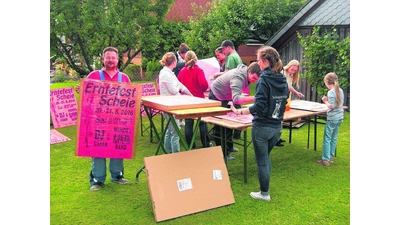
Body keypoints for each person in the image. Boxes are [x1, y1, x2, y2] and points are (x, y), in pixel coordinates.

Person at [230, 46, 289, 201]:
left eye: (258, 60)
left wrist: (239, 112)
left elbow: (259, 105)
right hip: (277, 127)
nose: (257, 63)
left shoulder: (264, 80)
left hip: (262, 127)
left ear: (264, 61)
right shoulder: (282, 79)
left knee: (262, 161)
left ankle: (264, 193)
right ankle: (265, 190)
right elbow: (283, 100)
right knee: (266, 158)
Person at [75, 46, 131, 191]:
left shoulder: (124, 78)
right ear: (103, 59)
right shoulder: (94, 75)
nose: (111, 60)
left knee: (117, 148)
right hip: (98, 122)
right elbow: (87, 96)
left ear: (117, 60)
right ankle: (97, 179)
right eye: (108, 57)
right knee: (98, 149)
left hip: (118, 121)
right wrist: (82, 90)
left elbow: (130, 99)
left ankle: (117, 175)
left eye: (113, 58)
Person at [208, 62, 261, 160]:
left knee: (231, 121)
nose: (253, 81)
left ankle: (229, 146)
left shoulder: (246, 74)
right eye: (253, 78)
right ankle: (223, 153)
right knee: (221, 125)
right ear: (249, 72)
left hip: (227, 97)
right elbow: (236, 99)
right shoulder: (238, 78)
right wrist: (255, 98)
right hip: (217, 96)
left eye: (256, 80)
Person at [159, 52, 192, 154]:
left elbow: (179, 84)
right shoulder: (165, 73)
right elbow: (174, 90)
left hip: (173, 104)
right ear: (174, 62)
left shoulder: (169, 73)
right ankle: (176, 155)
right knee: (175, 132)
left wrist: (189, 94)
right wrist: (180, 88)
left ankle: (168, 152)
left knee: (170, 130)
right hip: (169, 105)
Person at [177, 51, 212, 149]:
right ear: (195, 58)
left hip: (186, 100)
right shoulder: (199, 71)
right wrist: (203, 90)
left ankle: (190, 144)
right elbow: (204, 84)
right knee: (202, 122)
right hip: (198, 99)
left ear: (185, 59)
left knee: (188, 122)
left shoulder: (182, 71)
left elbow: (179, 84)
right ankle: (205, 143)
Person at [214, 40, 244, 141]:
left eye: (223, 49)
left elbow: (228, 73)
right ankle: (237, 133)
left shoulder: (231, 57)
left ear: (228, 47)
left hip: (230, 88)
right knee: (237, 108)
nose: (223, 52)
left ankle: (227, 137)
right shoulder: (237, 56)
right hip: (236, 87)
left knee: (228, 114)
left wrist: (217, 75)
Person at [317, 72, 344, 166]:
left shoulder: (331, 92)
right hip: (340, 117)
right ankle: (331, 157)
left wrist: (325, 101)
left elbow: (331, 106)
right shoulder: (340, 90)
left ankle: (325, 160)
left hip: (332, 118)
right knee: (334, 137)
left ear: (327, 82)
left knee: (327, 138)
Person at [276, 60, 305, 146]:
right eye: (292, 69)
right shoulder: (282, 72)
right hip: (278, 98)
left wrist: (296, 92)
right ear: (289, 66)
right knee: (277, 118)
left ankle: (278, 137)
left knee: (281, 119)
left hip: (285, 98)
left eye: (295, 71)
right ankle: (274, 139)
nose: (293, 71)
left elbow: (289, 86)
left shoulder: (291, 75)